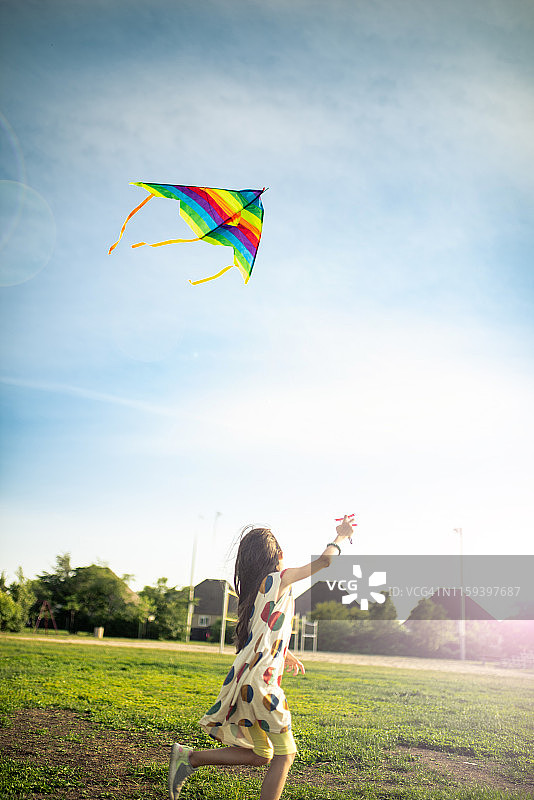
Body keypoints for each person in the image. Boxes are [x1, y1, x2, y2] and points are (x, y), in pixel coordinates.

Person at [168, 515, 356, 800]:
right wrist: (341, 536)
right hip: (261, 685)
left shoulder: (255, 590)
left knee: (262, 754)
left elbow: (264, 632)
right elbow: (325, 562)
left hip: (246, 682)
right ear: (279, 555)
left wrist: (286, 653)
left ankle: (189, 758)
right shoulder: (279, 578)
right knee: (285, 755)